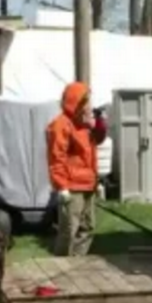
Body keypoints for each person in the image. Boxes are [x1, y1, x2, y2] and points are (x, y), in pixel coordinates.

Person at [46, 81, 108, 256]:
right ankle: (60, 267)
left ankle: (77, 264)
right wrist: (61, 186)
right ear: (78, 103)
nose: (90, 106)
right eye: (87, 102)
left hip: (88, 184)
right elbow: (56, 157)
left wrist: (100, 122)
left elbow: (97, 141)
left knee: (87, 227)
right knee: (69, 230)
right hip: (72, 187)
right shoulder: (61, 125)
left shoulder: (84, 124)